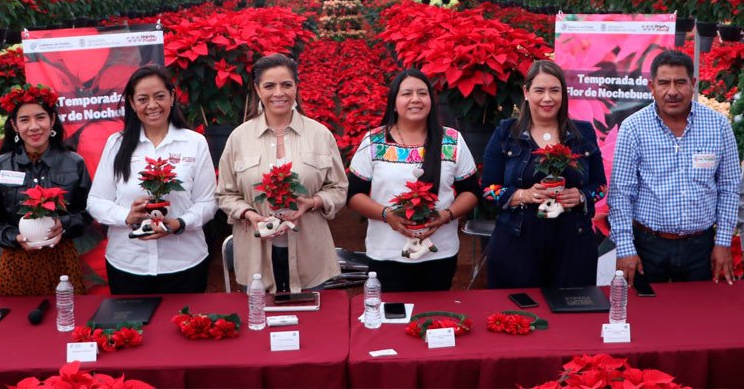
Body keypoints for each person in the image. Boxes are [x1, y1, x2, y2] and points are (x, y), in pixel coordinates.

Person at [217, 53, 347, 293]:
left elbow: (338, 188)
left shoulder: (320, 135)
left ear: (296, 87)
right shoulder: (239, 137)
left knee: (313, 322)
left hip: (310, 253)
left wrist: (313, 202)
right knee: (260, 322)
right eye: (269, 86)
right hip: (256, 255)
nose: (279, 93)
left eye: (286, 85)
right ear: (257, 89)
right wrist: (249, 214)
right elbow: (225, 194)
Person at [609, 49, 741, 286]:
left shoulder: (718, 126)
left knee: (699, 315)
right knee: (647, 317)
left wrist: (722, 242)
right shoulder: (633, 128)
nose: (672, 92)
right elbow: (620, 195)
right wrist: (625, 248)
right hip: (648, 245)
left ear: (693, 84)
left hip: (701, 247)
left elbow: (730, 188)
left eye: (680, 82)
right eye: (664, 83)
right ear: (652, 86)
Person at [347, 69, 480, 292]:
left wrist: (445, 215)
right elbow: (353, 195)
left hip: (440, 253)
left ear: (431, 99)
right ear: (394, 101)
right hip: (387, 254)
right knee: (392, 319)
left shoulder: (452, 140)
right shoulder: (375, 141)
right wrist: (387, 215)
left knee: (433, 317)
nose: (415, 99)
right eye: (406, 93)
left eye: (422, 93)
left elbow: (471, 191)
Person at [88, 65, 217, 294]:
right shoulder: (116, 144)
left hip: (184, 263)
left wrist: (180, 223)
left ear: (172, 97)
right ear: (131, 102)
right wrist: (126, 216)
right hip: (128, 265)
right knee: (133, 330)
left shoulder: (195, 143)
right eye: (143, 99)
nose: (152, 105)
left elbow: (207, 203)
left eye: (159, 97)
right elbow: (96, 202)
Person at [483, 60, 606, 289]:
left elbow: (600, 186)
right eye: (539, 90)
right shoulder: (506, 134)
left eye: (554, 90)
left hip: (573, 246)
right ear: (526, 92)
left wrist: (580, 196)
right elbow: (488, 190)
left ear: (563, 94)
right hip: (517, 244)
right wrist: (523, 195)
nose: (547, 98)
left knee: (570, 319)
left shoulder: (583, 133)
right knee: (519, 316)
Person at [0, 84, 92, 296]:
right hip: (16, 264)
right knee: (18, 325)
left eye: (40, 117)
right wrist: (15, 237)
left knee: (67, 319)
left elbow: (88, 212)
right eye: (24, 120)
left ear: (52, 121)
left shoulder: (74, 163)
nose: (34, 126)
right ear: (14, 125)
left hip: (62, 262)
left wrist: (64, 225)